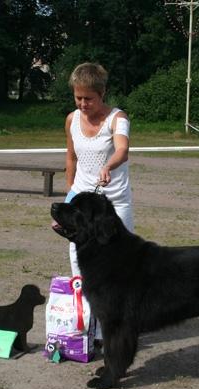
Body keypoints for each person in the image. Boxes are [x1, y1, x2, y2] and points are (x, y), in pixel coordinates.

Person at [64, 62, 134, 275]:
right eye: (78, 98)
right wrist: (70, 196)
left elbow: (122, 150)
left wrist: (108, 166)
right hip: (84, 200)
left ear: (102, 93)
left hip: (115, 201)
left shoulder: (118, 119)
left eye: (88, 98)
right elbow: (71, 158)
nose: (83, 104)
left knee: (121, 260)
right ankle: (83, 306)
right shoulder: (71, 120)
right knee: (79, 257)